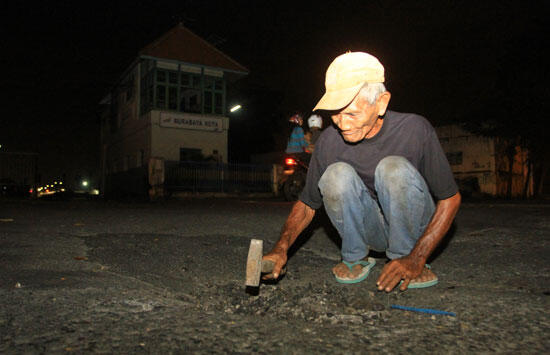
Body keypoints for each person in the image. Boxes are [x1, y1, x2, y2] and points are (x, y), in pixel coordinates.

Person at [263, 52, 461, 292]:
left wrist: (417, 256)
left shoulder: (414, 129)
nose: (342, 124)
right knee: (335, 174)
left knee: (393, 168)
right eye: (335, 113)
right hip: (373, 232)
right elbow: (307, 205)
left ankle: (405, 256)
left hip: (414, 227)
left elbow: (450, 198)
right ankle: (355, 256)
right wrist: (280, 248)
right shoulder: (328, 142)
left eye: (352, 114)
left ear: (382, 103)